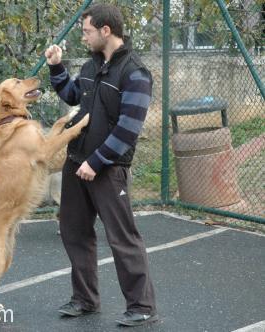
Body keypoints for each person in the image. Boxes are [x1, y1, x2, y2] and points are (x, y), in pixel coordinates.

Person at [44, 3, 158, 327]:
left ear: (105, 31)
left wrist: (96, 162)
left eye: (87, 31)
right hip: (76, 162)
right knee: (74, 232)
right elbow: (71, 95)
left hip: (108, 169)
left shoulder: (136, 73)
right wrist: (56, 67)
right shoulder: (92, 65)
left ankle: (142, 306)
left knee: (123, 238)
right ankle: (85, 299)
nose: (84, 37)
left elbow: (128, 129)